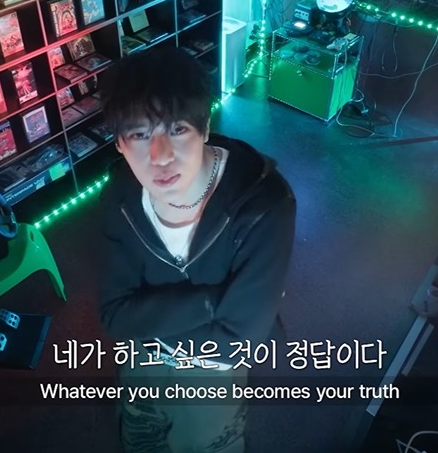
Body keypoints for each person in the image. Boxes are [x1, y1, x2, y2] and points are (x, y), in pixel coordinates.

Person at [96, 47, 296, 453]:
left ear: (204, 127)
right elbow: (114, 315)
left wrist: (148, 320)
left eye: (177, 129)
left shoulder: (264, 204)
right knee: (139, 435)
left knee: (207, 444)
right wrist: (212, 302)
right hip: (142, 359)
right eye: (140, 134)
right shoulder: (119, 197)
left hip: (210, 373)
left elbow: (238, 342)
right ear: (119, 144)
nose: (161, 157)